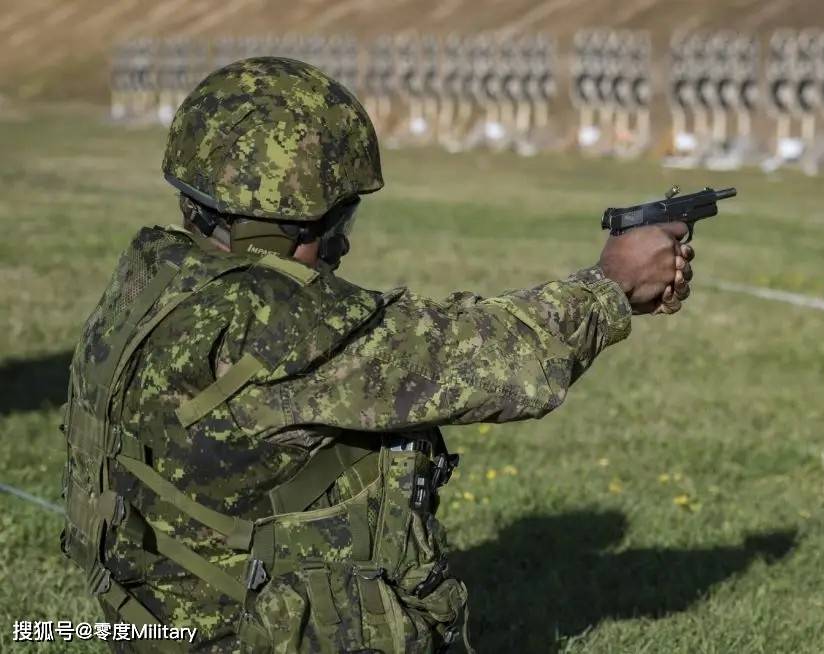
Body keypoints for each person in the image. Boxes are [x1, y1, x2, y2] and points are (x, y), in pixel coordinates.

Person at [60, 57, 694, 653]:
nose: (341, 247)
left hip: (149, 618)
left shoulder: (152, 276)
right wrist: (611, 284)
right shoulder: (275, 321)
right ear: (284, 224)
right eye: (335, 224)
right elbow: (500, 357)